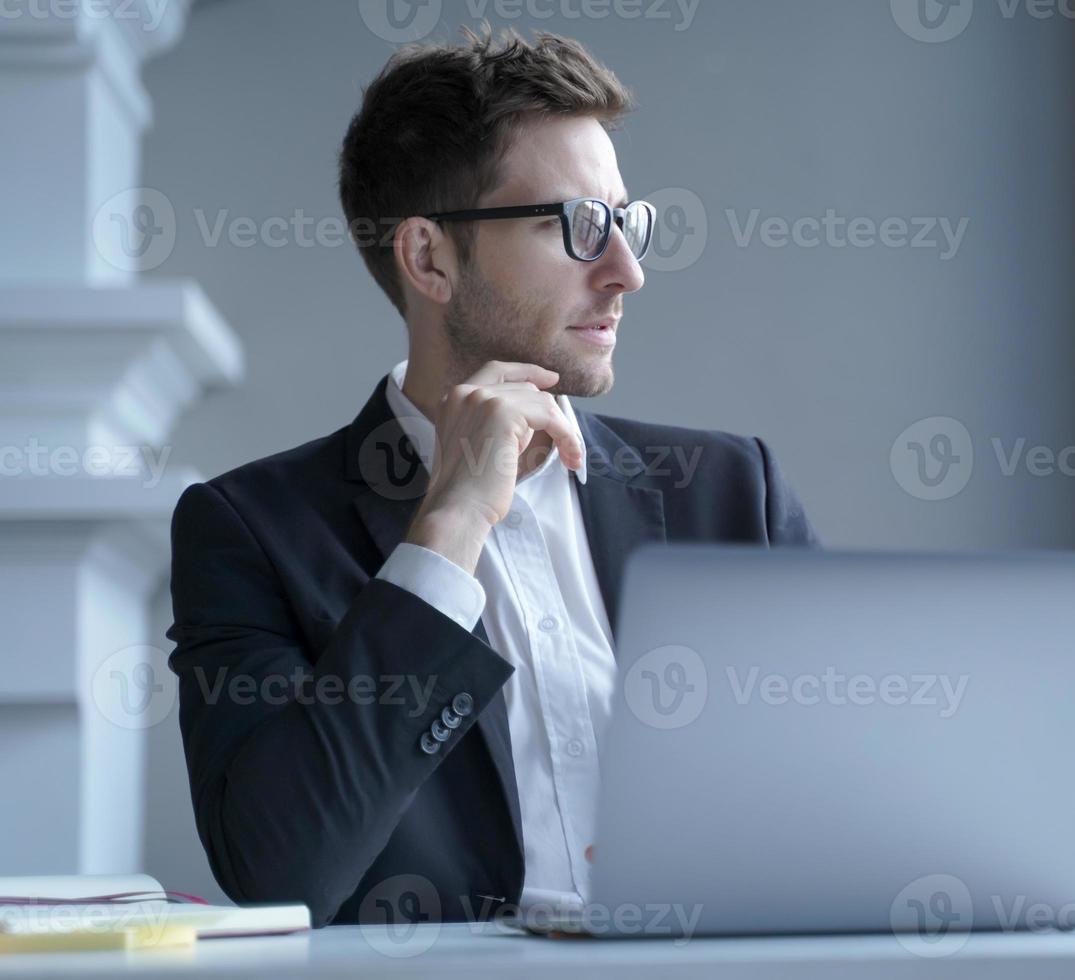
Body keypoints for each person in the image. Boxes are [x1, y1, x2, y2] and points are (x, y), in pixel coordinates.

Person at [166, 23, 817, 928]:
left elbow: (857, 795)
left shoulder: (731, 494)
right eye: (580, 227)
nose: (626, 271)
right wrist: (447, 531)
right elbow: (284, 868)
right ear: (429, 257)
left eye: (628, 223)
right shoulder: (250, 529)